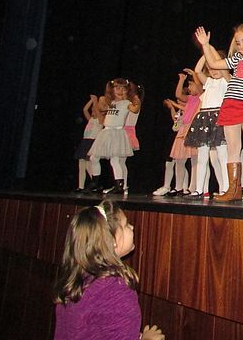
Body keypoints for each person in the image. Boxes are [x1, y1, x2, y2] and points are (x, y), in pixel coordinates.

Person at [53, 201, 165, 340]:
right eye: (125, 225)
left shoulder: (79, 281)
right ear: (112, 240)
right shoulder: (115, 289)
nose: (132, 227)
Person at [194, 22, 243, 201]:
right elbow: (215, 64)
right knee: (233, 147)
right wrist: (206, 45)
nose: (241, 46)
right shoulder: (237, 58)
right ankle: (233, 189)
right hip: (231, 103)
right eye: (238, 42)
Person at [184, 55, 230, 198]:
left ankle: (226, 189)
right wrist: (205, 53)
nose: (214, 71)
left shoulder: (225, 81)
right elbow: (197, 70)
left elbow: (226, 74)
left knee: (223, 156)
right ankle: (198, 189)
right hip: (204, 119)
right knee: (202, 157)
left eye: (217, 68)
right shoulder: (208, 82)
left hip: (218, 117)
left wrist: (215, 57)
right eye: (211, 68)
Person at [88, 79, 141, 196]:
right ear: (112, 90)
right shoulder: (111, 102)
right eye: (117, 88)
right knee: (93, 157)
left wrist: (137, 102)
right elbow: (101, 108)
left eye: (123, 88)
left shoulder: (126, 103)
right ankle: (95, 183)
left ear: (127, 91)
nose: (120, 91)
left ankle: (119, 185)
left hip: (117, 132)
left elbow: (135, 109)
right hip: (106, 132)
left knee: (115, 159)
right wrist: (98, 100)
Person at [152, 98, 186, 196]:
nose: (178, 101)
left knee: (180, 163)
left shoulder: (188, 108)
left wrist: (174, 105)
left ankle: (182, 187)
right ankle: (168, 186)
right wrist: (172, 108)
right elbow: (175, 121)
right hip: (175, 135)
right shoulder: (180, 110)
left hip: (181, 136)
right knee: (171, 162)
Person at [75, 94, 102, 192]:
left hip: (92, 142)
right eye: (92, 111)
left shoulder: (100, 121)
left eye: (94, 111)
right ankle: (81, 186)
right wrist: (91, 100)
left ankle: (95, 184)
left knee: (89, 165)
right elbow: (85, 110)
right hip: (85, 142)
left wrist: (95, 101)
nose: (92, 112)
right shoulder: (91, 119)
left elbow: (97, 111)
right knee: (81, 165)